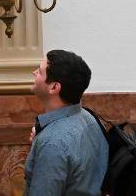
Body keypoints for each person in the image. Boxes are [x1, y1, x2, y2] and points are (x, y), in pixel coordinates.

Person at [24, 50, 109, 195]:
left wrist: (45, 147)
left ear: (54, 87)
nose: (34, 73)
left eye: (40, 71)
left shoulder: (53, 143)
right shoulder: (89, 118)